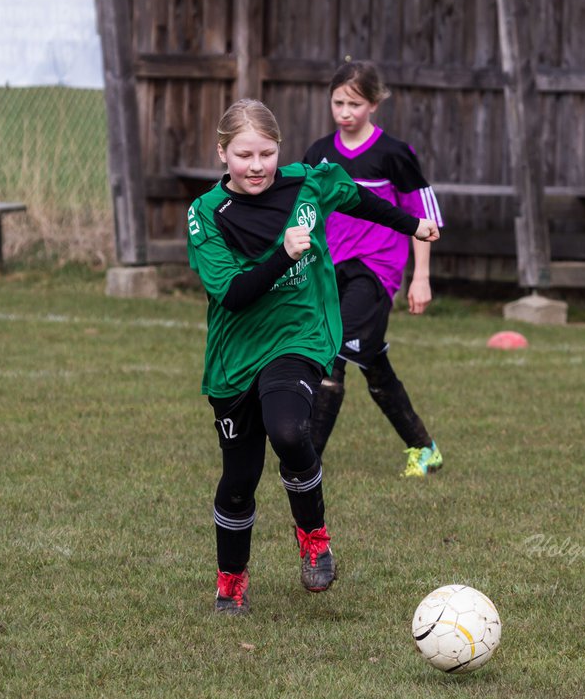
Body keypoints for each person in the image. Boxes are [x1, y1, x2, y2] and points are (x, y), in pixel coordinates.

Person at [187, 98, 440, 615]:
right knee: (238, 480)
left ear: (280, 149)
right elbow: (234, 294)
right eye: (244, 155)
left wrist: (411, 225)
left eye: (267, 152)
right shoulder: (205, 215)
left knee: (288, 430)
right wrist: (285, 252)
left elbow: (356, 199)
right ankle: (231, 581)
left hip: (299, 337)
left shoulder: (309, 182)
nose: (257, 166)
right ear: (222, 153)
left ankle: (314, 537)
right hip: (236, 356)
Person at [301, 60, 446, 478]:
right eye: (338, 102)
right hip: (330, 271)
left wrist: (421, 277)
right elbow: (303, 211)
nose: (345, 112)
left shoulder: (394, 155)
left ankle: (306, 462)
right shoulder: (319, 153)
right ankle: (424, 448)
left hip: (376, 271)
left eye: (355, 104)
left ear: (375, 104)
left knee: (332, 352)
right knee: (372, 362)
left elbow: (425, 219)